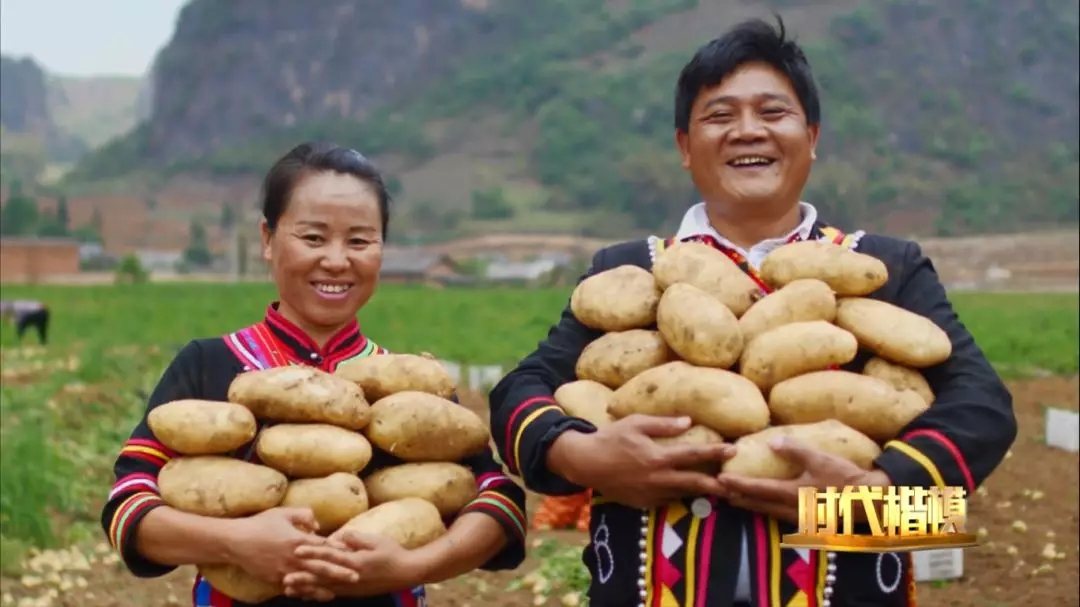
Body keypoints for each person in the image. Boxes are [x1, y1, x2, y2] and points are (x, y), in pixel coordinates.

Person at [488, 16, 1016, 607]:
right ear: (685, 148)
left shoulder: (883, 267)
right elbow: (520, 390)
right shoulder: (633, 271)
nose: (747, 131)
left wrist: (871, 494)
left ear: (811, 136)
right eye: (719, 116)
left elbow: (983, 409)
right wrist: (582, 454)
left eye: (773, 113)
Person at [101, 142, 528, 607]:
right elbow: (129, 503)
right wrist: (234, 542)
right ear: (267, 239)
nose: (337, 260)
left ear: (383, 248)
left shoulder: (413, 389)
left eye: (360, 240)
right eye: (313, 238)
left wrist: (411, 567)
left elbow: (498, 500)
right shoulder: (209, 364)